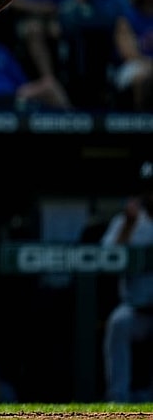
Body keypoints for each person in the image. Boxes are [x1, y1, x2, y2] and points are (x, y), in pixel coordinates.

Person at [101, 161, 153, 403]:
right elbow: (106, 257)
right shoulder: (129, 222)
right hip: (138, 309)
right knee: (118, 323)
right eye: (147, 189)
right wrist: (128, 226)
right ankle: (118, 399)